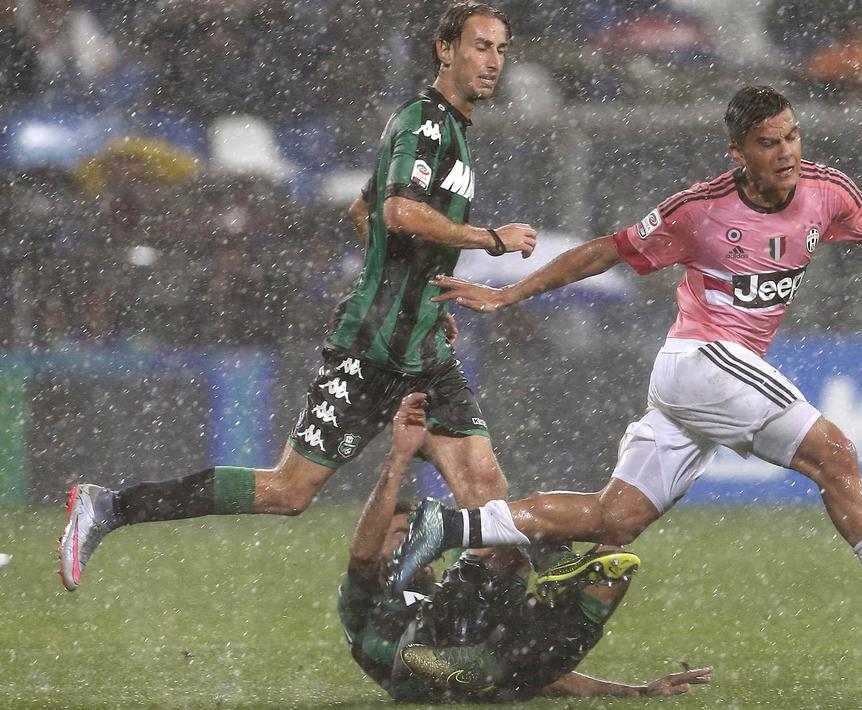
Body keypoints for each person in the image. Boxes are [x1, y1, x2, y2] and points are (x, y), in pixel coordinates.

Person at [406, 85, 862, 647]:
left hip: (701, 384)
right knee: (836, 455)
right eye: (768, 143)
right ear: (738, 153)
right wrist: (510, 294)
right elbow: (603, 251)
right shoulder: (699, 211)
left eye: (792, 136)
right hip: (702, 360)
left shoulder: (829, 195)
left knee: (614, 517)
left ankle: (447, 528)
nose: (786, 152)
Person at [57, 1, 539, 591]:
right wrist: (490, 239)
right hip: (371, 352)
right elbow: (397, 211)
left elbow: (361, 210)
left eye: (501, 49)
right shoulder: (425, 123)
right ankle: (109, 507)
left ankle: (482, 640)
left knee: (488, 500)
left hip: (425, 353)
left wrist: (411, 290)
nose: (493, 62)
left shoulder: (452, 130)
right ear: (446, 50)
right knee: (289, 491)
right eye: (480, 46)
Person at [341, 393, 712, 701]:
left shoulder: (446, 598)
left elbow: (553, 681)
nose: (407, 540)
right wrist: (399, 456)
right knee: (493, 544)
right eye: (398, 534)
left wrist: (637, 692)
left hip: (490, 676)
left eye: (411, 532)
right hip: (414, 675)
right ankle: (552, 567)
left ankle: (559, 583)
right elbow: (361, 554)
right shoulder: (369, 596)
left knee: (603, 565)